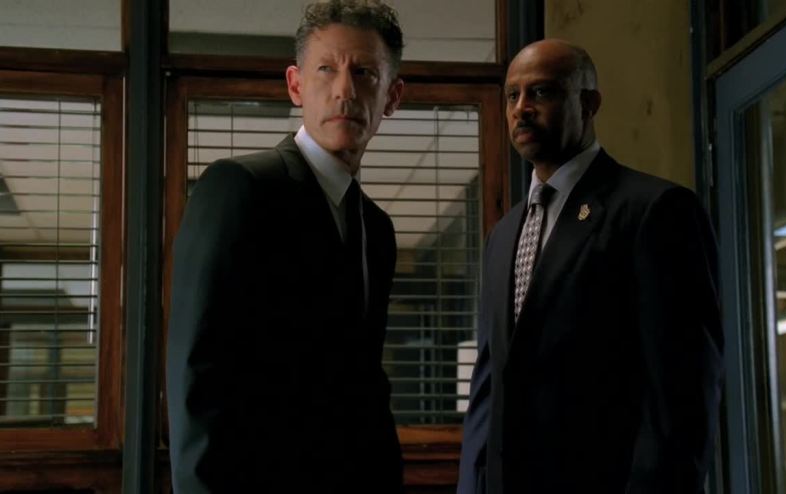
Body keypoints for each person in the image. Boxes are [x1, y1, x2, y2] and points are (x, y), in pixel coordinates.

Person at [458, 39, 724, 493]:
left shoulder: (656, 211)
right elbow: (489, 385)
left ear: (589, 103)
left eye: (541, 92)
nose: (521, 109)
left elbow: (680, 400)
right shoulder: (502, 235)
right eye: (512, 95)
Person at [166, 1, 405, 492]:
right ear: (296, 85)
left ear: (392, 96)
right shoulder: (239, 187)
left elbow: (365, 386)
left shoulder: (377, 229)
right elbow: (197, 376)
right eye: (326, 69)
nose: (344, 90)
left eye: (364, 73)